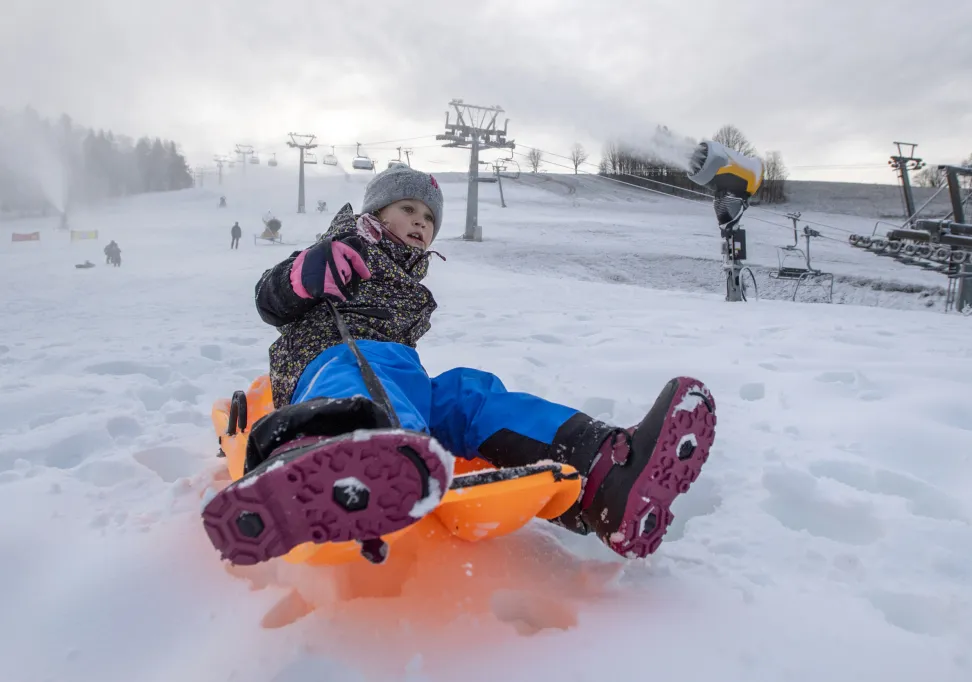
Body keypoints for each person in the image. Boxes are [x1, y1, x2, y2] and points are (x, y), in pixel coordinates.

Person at [202, 164, 717, 567]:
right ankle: (340, 452)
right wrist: (306, 272)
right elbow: (270, 303)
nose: (421, 224)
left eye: (429, 219)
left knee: (472, 393)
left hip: (405, 384)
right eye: (408, 209)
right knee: (363, 375)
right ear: (377, 213)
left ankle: (606, 470)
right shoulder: (342, 248)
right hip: (328, 363)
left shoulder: (410, 279)